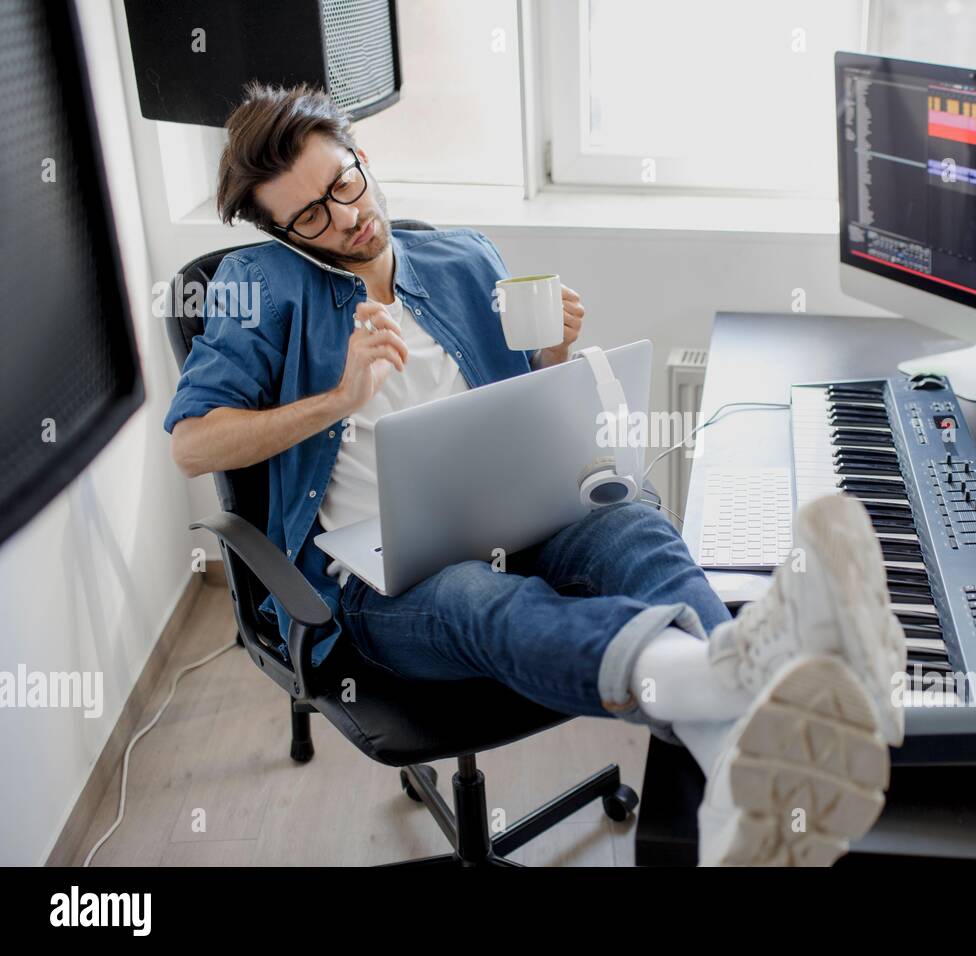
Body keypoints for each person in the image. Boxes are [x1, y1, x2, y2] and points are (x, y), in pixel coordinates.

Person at [165, 84, 906, 866]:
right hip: (379, 583)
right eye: (310, 216)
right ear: (283, 232)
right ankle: (733, 685)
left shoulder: (465, 257)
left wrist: (554, 361)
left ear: (361, 157)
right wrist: (338, 399)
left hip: (517, 519)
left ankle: (731, 755)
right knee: (481, 598)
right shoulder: (263, 290)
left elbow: (518, 410)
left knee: (635, 530)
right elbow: (192, 444)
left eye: (342, 183)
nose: (344, 216)